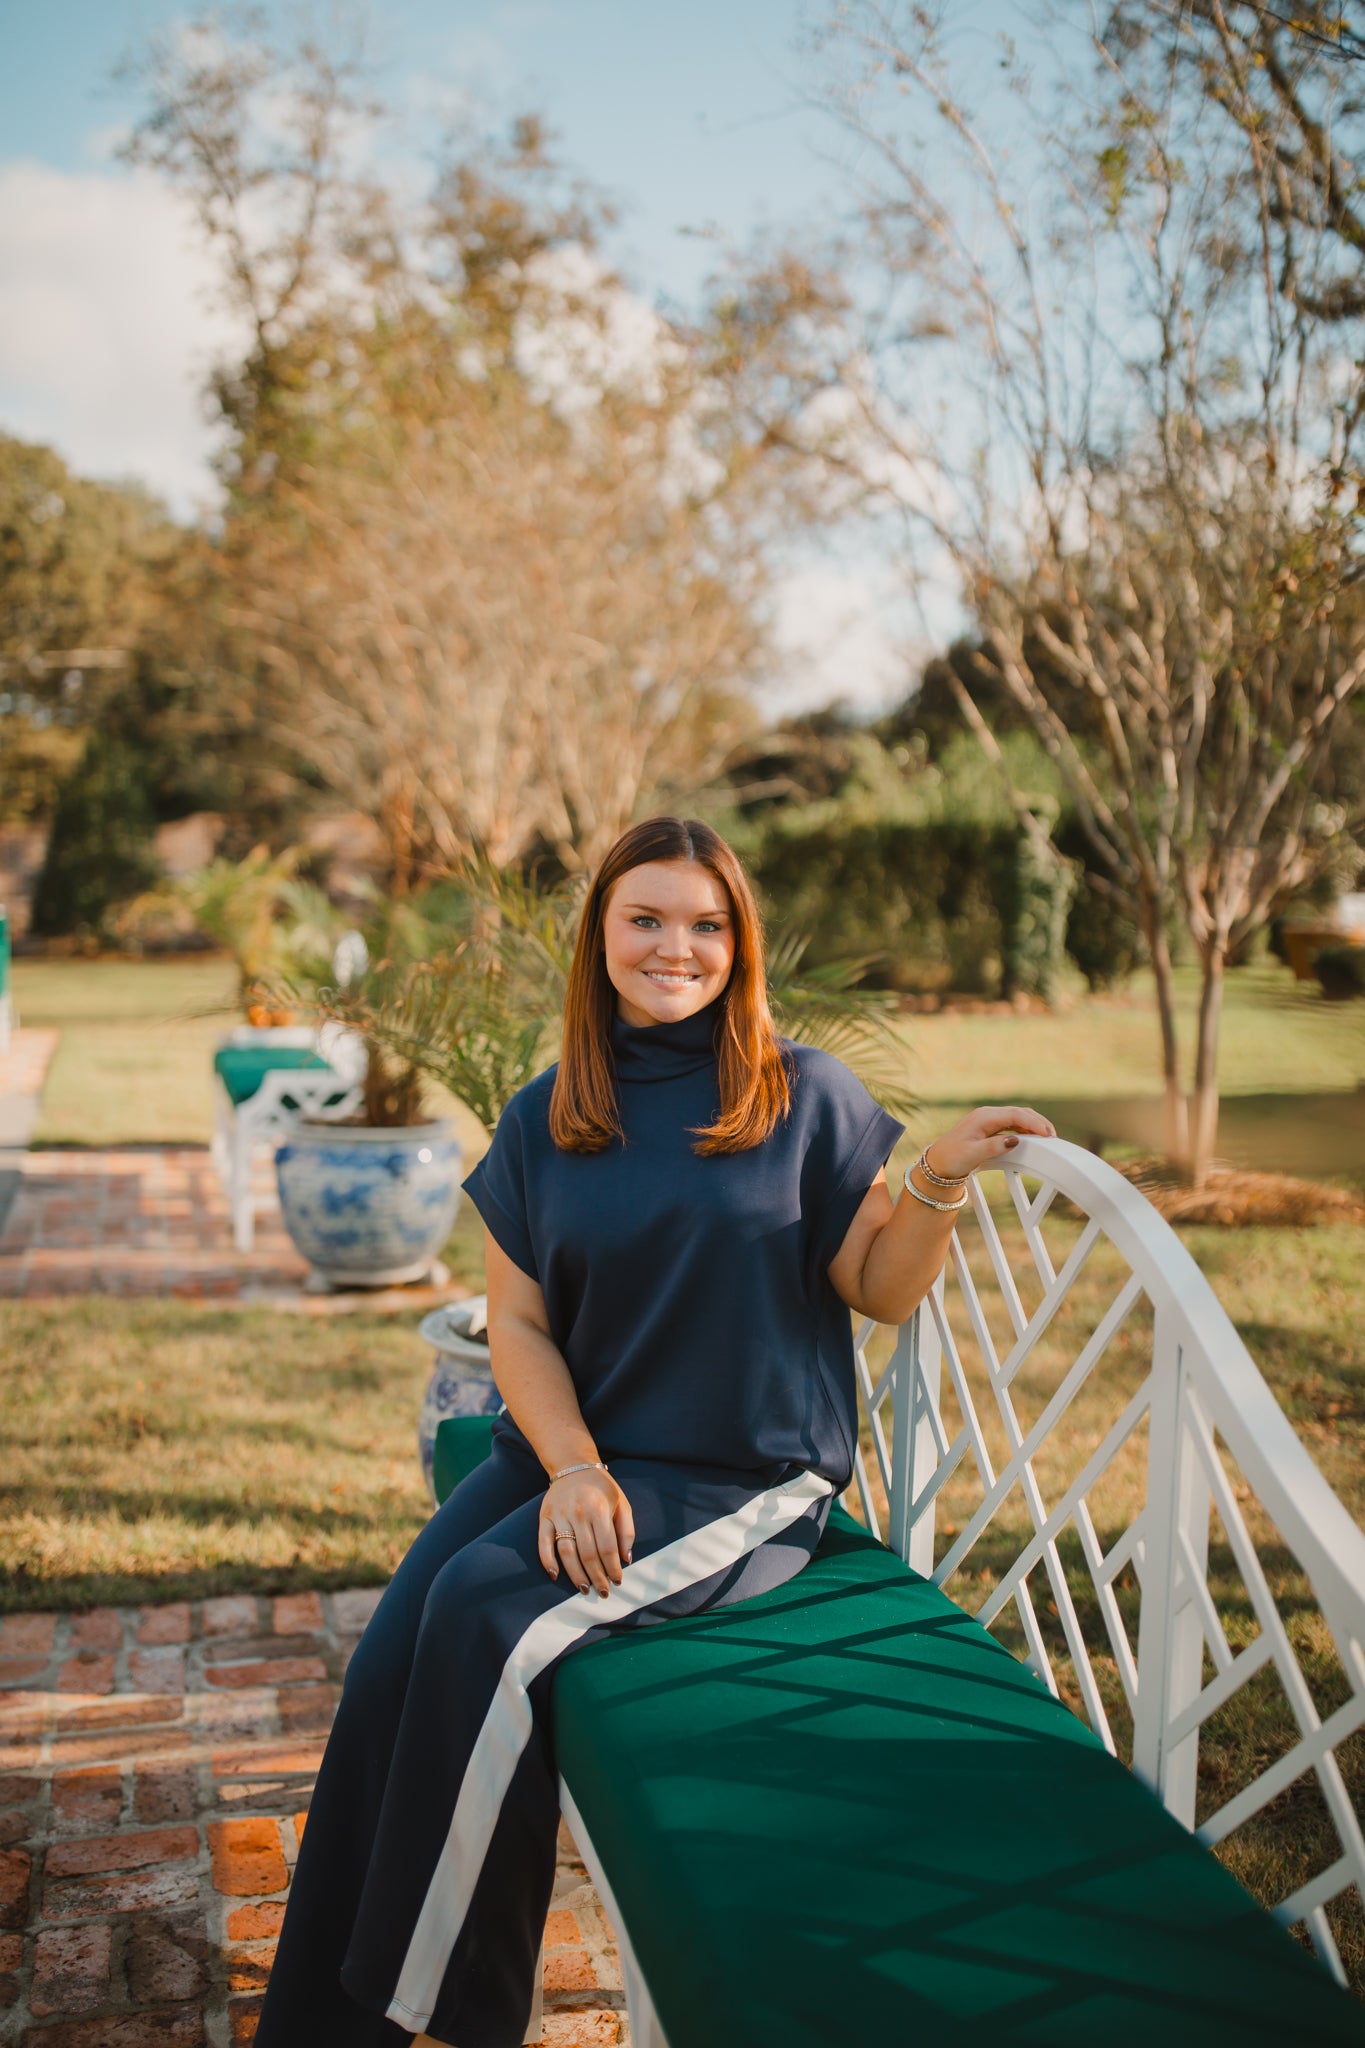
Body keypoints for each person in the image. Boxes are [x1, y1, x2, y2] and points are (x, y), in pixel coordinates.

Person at [254, 815, 1055, 2048]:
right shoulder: (548, 1111)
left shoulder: (802, 1094)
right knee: (386, 1662)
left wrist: (938, 1174)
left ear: (739, 942)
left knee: (480, 1613)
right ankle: (315, 2027)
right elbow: (519, 1325)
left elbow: (880, 1286)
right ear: (602, 935)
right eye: (646, 918)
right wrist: (572, 1463)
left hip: (739, 1476)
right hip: (574, 1456)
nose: (676, 946)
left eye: (706, 923)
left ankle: (434, 2007)